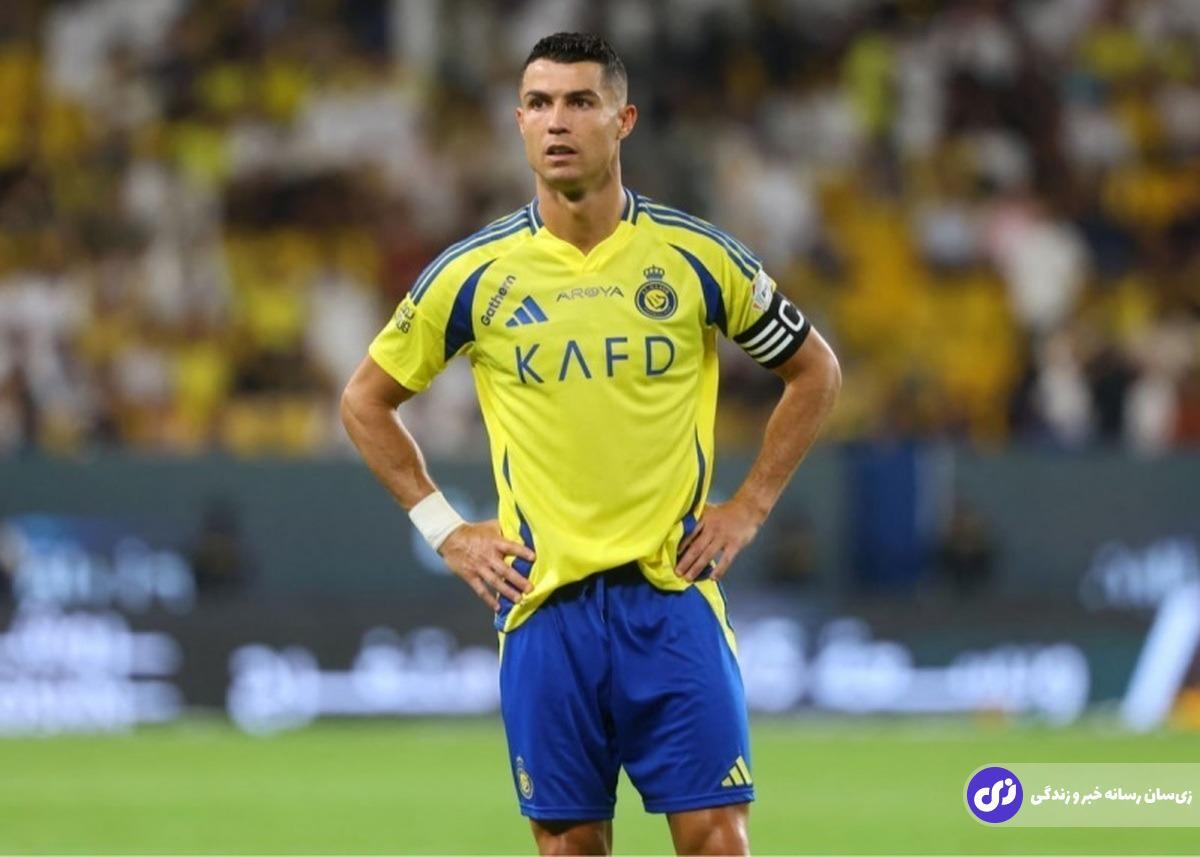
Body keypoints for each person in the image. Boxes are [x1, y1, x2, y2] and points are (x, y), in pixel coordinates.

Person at [341, 32, 840, 856]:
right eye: (538, 104)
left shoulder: (696, 256)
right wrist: (447, 531)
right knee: (571, 847)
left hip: (670, 596)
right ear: (519, 122)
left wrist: (750, 507)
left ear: (623, 120)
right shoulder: (473, 274)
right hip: (546, 607)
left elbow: (815, 370)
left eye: (580, 102)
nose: (557, 121)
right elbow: (365, 401)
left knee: (719, 841)